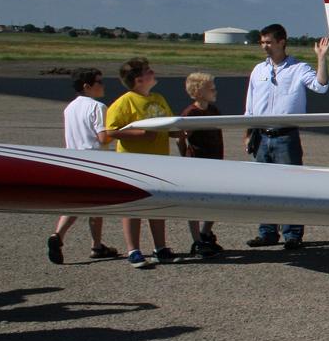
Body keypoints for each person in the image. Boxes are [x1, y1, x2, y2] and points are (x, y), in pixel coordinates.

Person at [244, 24, 329, 250]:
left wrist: (321, 59)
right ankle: (267, 232)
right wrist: (248, 133)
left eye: (269, 42)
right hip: (261, 136)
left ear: (282, 42)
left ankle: (292, 235)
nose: (265, 46)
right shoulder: (258, 71)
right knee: (263, 187)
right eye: (262, 42)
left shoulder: (298, 68)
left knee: (292, 186)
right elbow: (249, 107)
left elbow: (320, 87)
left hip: (286, 136)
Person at [105, 57, 175, 266]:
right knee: (134, 206)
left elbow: (169, 122)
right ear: (138, 80)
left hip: (159, 160)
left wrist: (178, 133)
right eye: (147, 71)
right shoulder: (125, 101)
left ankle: (160, 247)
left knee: (158, 204)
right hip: (133, 163)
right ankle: (133, 250)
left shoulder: (158, 98)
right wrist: (141, 135)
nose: (152, 72)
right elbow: (112, 131)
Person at [47, 68, 120, 263]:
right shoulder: (98, 107)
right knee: (94, 206)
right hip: (94, 160)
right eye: (99, 82)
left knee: (80, 203)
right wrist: (123, 131)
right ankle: (82, 242)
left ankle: (72, 238)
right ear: (87, 86)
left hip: (73, 158)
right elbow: (103, 138)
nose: (103, 86)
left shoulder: (69, 107)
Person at [177, 72, 225, 258]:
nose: (214, 90)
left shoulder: (214, 110)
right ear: (197, 92)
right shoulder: (191, 113)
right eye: (209, 87)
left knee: (217, 200)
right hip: (197, 164)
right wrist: (185, 157)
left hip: (215, 162)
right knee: (196, 202)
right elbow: (181, 138)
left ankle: (206, 232)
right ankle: (197, 240)